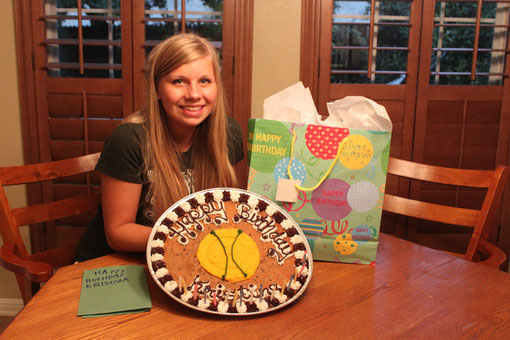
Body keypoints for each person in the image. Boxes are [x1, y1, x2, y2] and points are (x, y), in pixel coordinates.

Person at [74, 33, 244, 262]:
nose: (194, 94)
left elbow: (225, 211)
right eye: (178, 81)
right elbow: (118, 233)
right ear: (156, 89)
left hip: (184, 257)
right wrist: (192, 237)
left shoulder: (228, 133)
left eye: (205, 81)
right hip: (117, 262)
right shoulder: (129, 140)